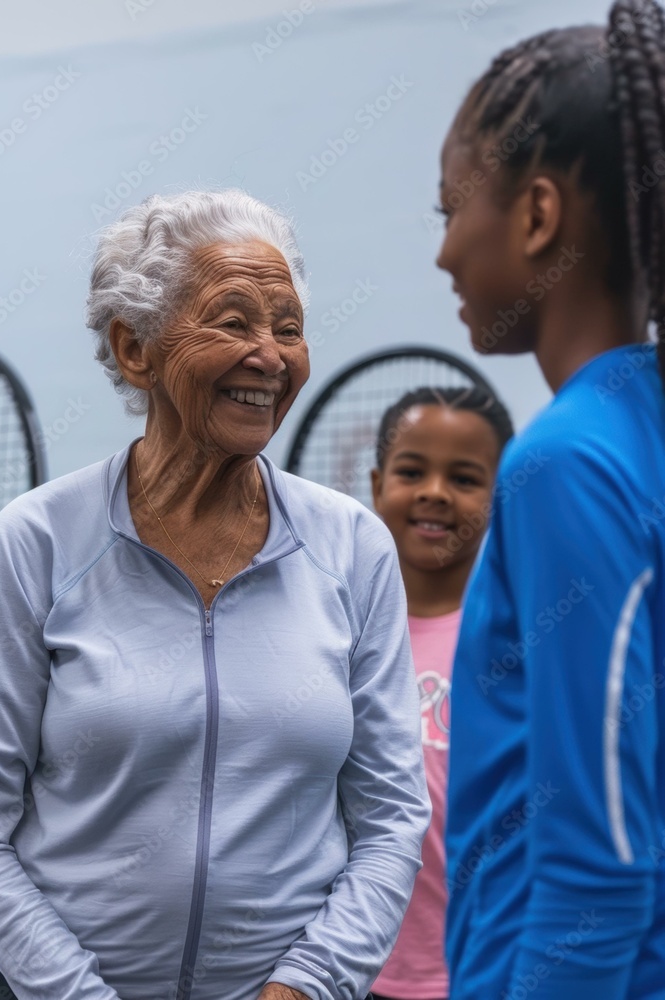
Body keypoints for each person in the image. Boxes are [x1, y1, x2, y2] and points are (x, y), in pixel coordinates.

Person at [0, 189, 431, 1000]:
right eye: (234, 322)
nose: (270, 355)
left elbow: (389, 818)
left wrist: (307, 985)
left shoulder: (350, 547)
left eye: (288, 326)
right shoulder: (36, 541)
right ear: (136, 349)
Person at [435, 1, 665, 996]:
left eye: (449, 210)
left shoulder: (565, 462)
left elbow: (600, 859)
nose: (443, 252)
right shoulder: (639, 423)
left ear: (536, 216)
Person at [368, 386, 513, 1000]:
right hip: (347, 969)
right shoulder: (341, 634)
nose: (434, 492)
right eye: (411, 471)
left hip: (477, 971)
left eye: (464, 477)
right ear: (376, 484)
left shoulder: (520, 643)